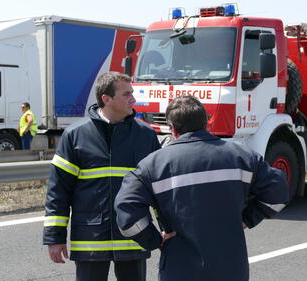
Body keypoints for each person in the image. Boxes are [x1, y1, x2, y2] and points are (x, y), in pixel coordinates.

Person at [114, 95, 289, 281]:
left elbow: (126, 212)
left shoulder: (152, 165)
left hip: (180, 268)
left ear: (172, 129)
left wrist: (154, 240)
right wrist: (247, 219)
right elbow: (278, 192)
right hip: (231, 268)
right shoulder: (243, 156)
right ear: (207, 122)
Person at [43, 72, 161, 281]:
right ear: (106, 99)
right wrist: (55, 237)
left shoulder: (146, 135)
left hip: (134, 236)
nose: (133, 99)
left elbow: (160, 189)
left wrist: (167, 229)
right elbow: (59, 190)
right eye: (126, 94)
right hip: (90, 240)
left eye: (132, 93)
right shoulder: (75, 135)